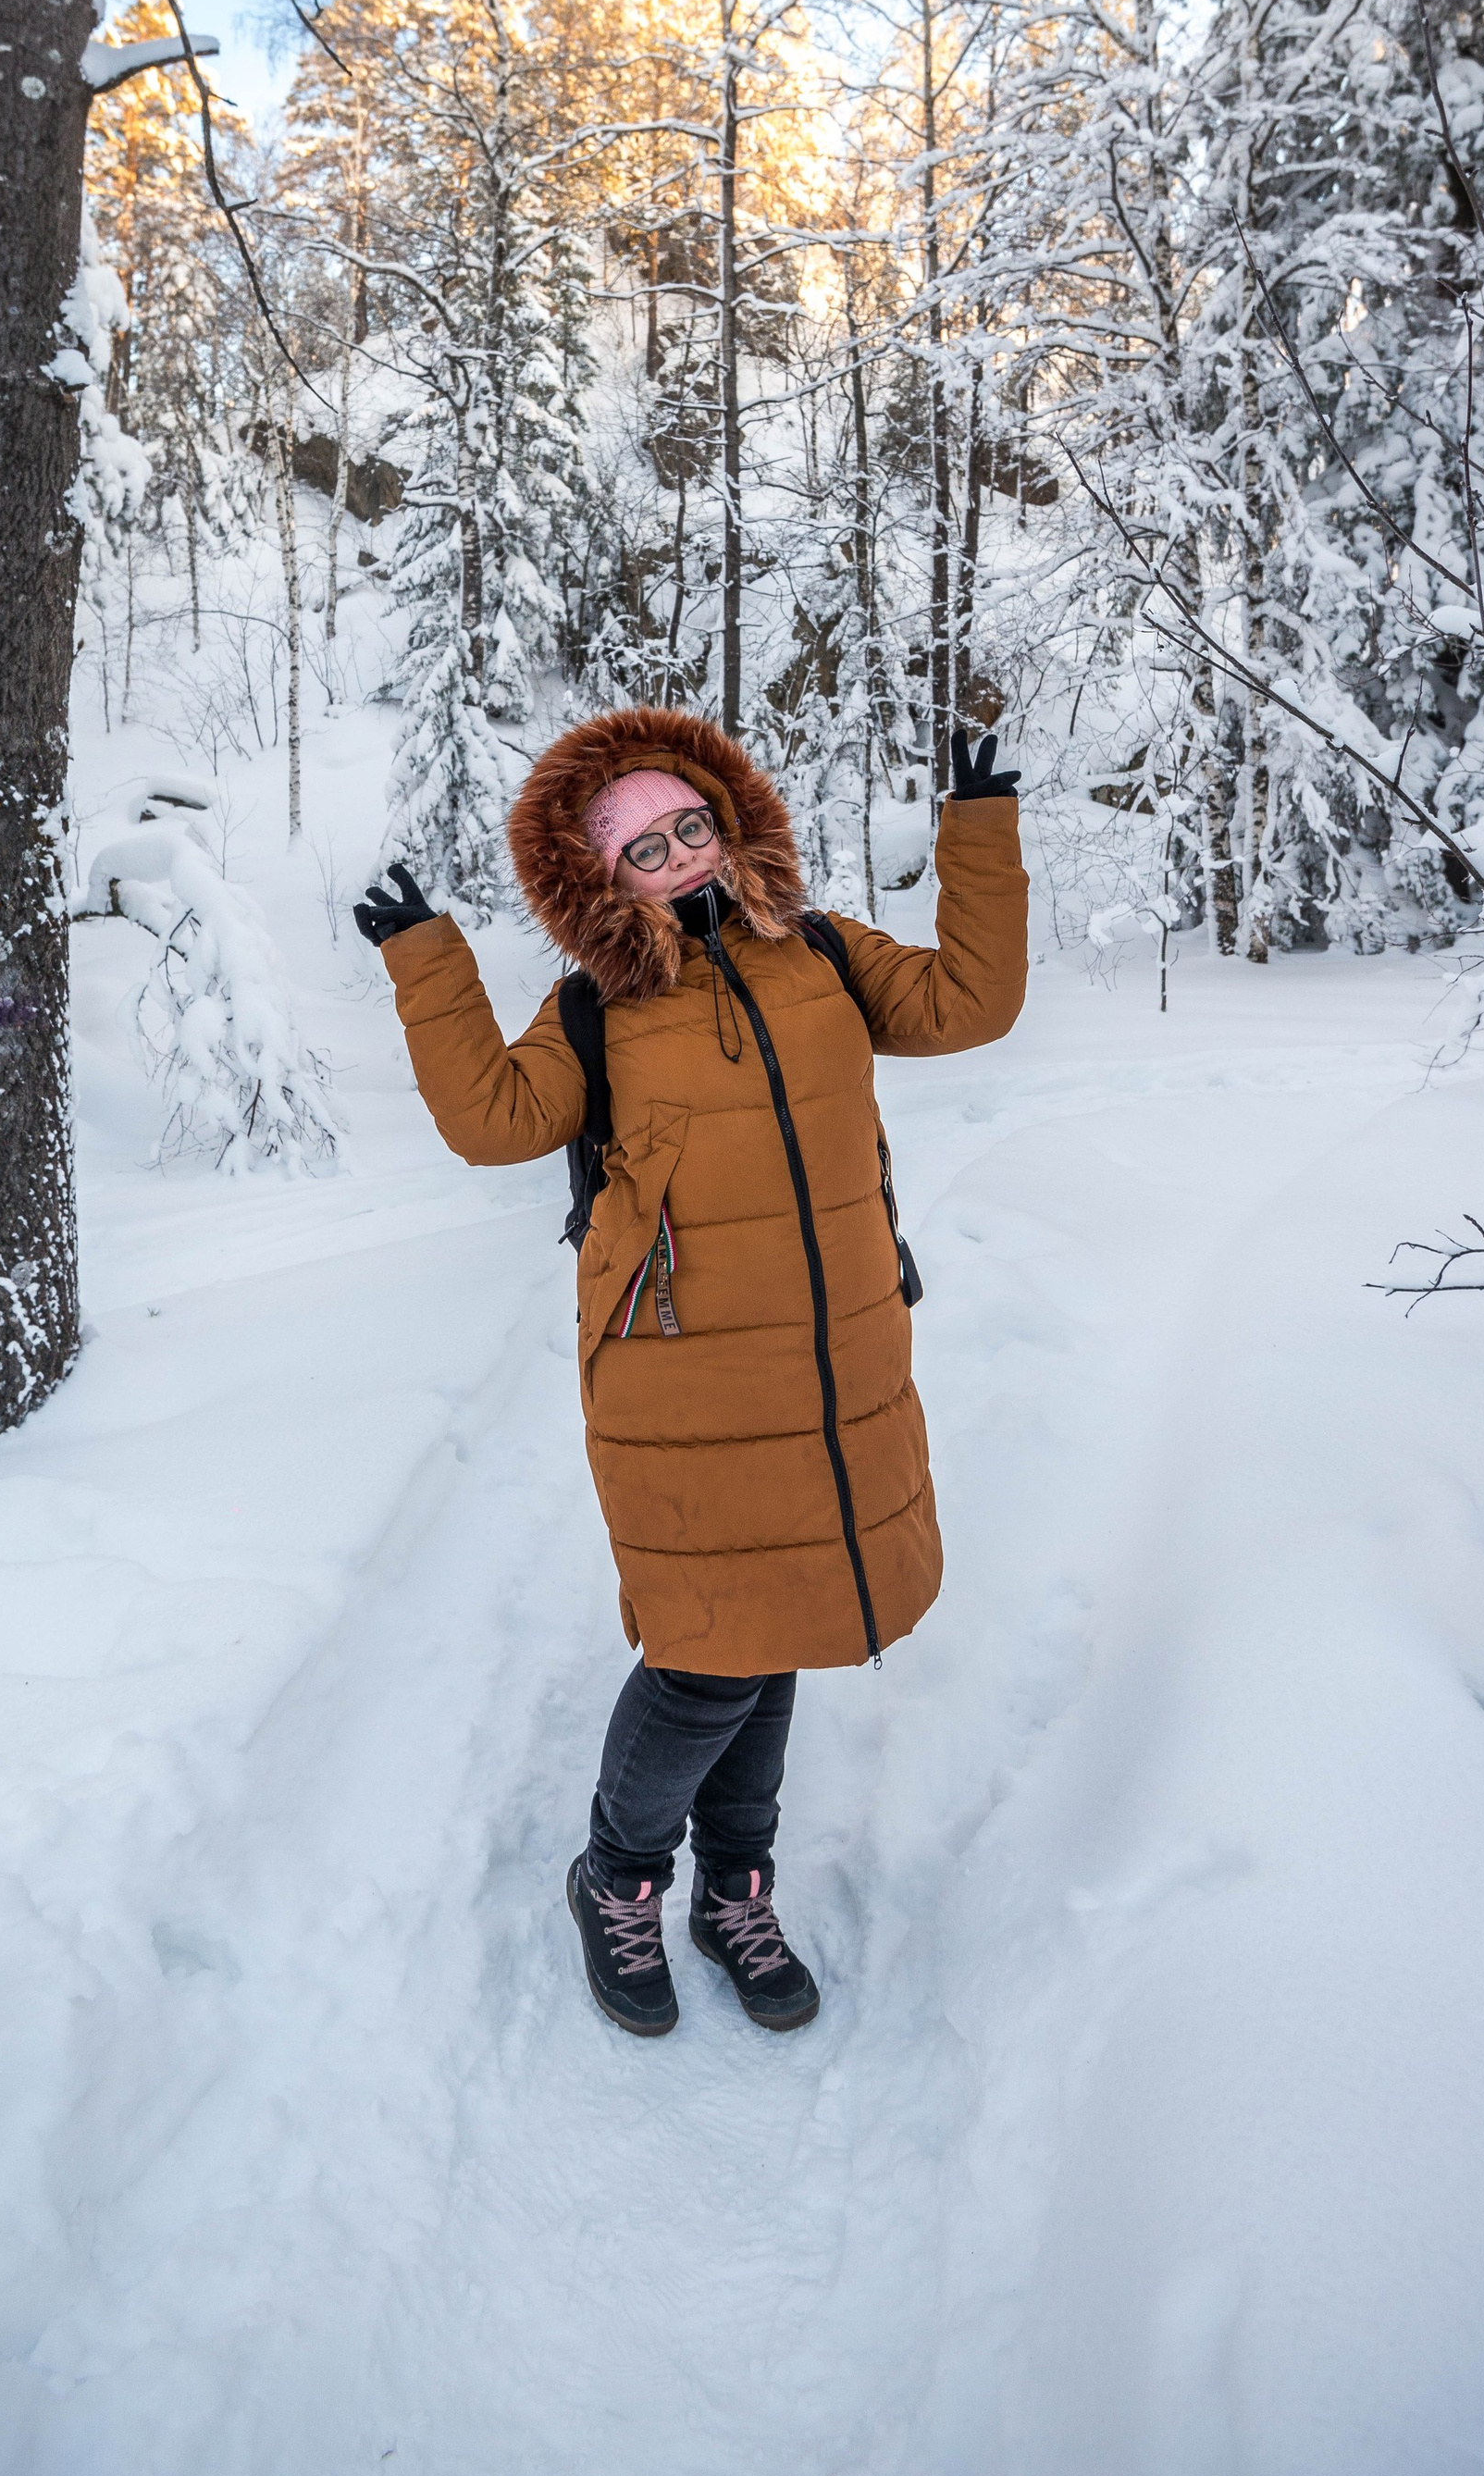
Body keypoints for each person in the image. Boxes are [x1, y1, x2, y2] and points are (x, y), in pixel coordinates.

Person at [354, 706, 1026, 2038]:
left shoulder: (821, 952)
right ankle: (617, 1877)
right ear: (597, 878)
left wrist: (979, 835)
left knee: (774, 1637)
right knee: (710, 1657)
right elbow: (496, 1123)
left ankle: (735, 1887)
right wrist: (427, 961)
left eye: (690, 827)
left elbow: (972, 1003)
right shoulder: (599, 1010)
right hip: (684, 1384)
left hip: (836, 1362)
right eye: (641, 847)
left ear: (728, 823)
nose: (677, 855)